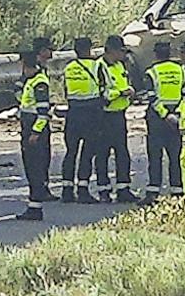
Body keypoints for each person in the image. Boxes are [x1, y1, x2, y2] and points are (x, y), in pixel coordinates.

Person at [61, 37, 108, 204]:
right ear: (89, 49)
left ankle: (66, 190)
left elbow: (65, 90)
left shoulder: (69, 68)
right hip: (92, 113)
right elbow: (105, 89)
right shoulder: (97, 66)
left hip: (73, 112)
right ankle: (83, 189)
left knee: (70, 152)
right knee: (87, 153)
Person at [139, 42, 185, 205]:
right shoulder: (181, 70)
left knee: (155, 156)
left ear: (156, 54)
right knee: (175, 156)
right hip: (176, 118)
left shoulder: (151, 72)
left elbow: (152, 97)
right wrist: (176, 113)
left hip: (157, 119)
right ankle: (177, 191)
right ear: (170, 53)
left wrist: (165, 114)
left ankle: (153, 192)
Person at [95, 35, 138, 203]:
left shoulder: (121, 66)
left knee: (122, 153)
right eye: (120, 51)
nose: (123, 55)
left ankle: (123, 189)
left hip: (119, 115)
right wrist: (121, 93)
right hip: (103, 116)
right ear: (111, 50)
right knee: (102, 154)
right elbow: (101, 93)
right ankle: (104, 190)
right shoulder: (99, 66)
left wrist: (129, 92)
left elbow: (123, 83)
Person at [15, 51, 53, 221]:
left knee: (35, 168)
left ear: (26, 66)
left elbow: (43, 113)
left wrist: (35, 133)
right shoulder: (32, 81)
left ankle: (35, 207)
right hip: (28, 128)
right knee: (31, 169)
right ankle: (33, 206)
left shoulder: (39, 83)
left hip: (34, 132)